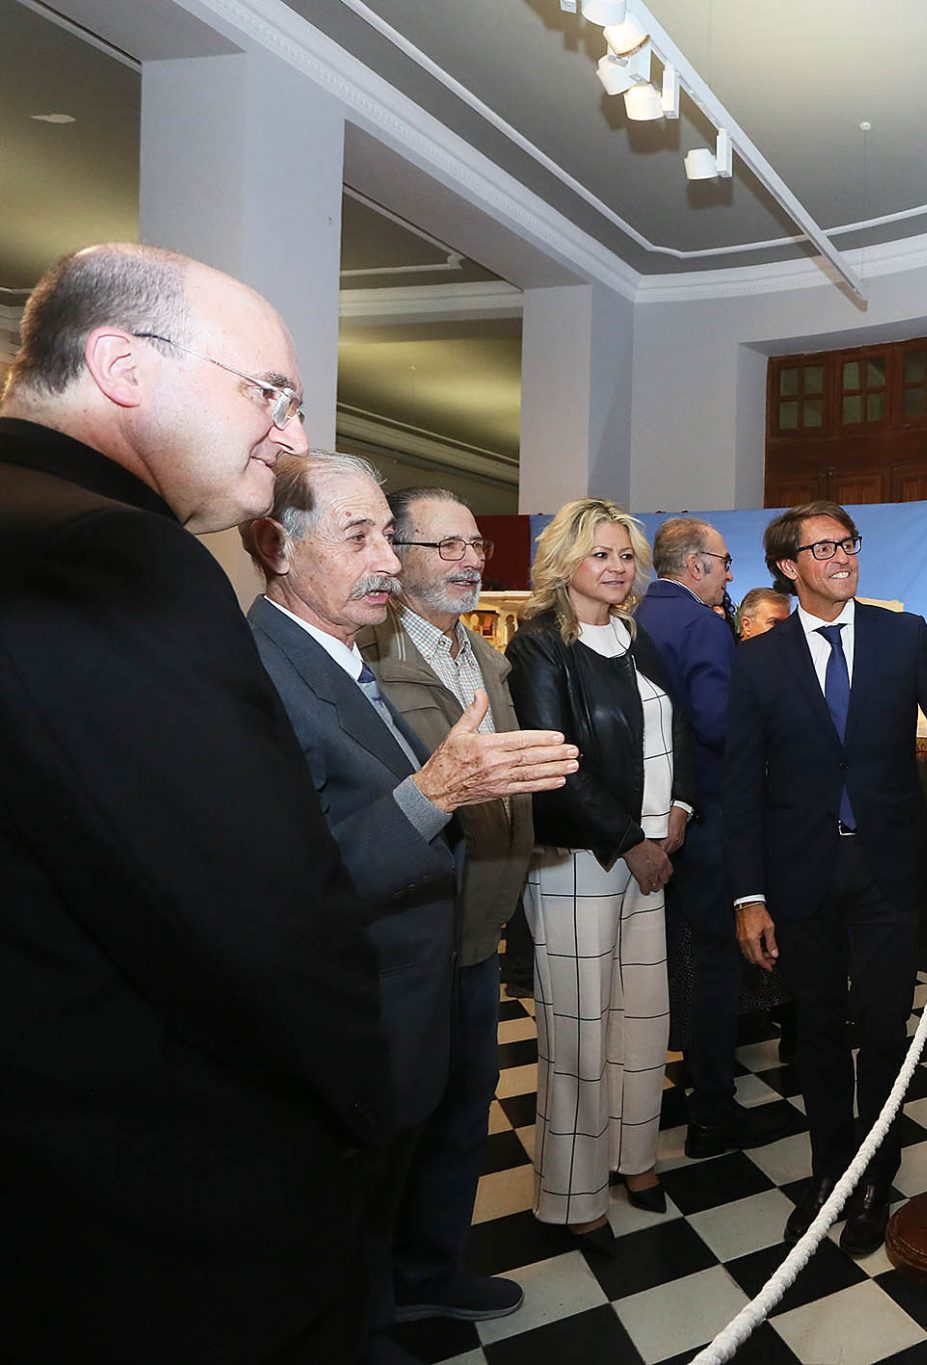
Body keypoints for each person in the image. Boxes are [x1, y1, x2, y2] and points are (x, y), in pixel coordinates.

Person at [0, 243, 388, 1362]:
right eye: (270, 394)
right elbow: (260, 921)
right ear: (122, 365)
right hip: (151, 1205)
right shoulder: (113, 555)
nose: (290, 438)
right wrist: (361, 1107)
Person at [243, 451, 579, 1362]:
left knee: (422, 1145)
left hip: (427, 958)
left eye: (388, 538)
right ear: (277, 545)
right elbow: (294, 879)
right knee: (351, 1188)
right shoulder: (262, 674)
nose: (388, 562)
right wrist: (437, 790)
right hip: (357, 986)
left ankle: (410, 1289)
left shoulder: (345, 655)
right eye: (361, 537)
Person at [726, 500, 927, 1256]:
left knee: (881, 1028)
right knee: (815, 1027)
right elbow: (740, 785)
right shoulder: (759, 660)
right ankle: (828, 1173)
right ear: (788, 566)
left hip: (888, 868)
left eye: (849, 543)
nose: (843, 557)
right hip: (799, 873)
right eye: (824, 547)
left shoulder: (903, 635)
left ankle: (877, 1174)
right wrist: (748, 896)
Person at [360, 487, 536, 1326]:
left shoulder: (483, 655)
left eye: (476, 546)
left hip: (474, 934)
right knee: (399, 1122)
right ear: (396, 553)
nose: (471, 561)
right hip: (407, 933)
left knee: (465, 1106)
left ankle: (434, 1269)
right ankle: (371, 1300)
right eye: (449, 546)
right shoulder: (371, 655)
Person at [506, 498, 696, 1246]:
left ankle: (633, 1157)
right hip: (581, 859)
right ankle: (573, 1192)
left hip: (650, 854)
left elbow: (674, 729)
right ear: (564, 562)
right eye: (600, 554)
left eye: (625, 556)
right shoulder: (539, 645)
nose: (617, 568)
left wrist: (680, 807)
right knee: (579, 1031)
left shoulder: (635, 635)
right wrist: (630, 840)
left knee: (644, 1017)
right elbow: (554, 765)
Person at [639, 517, 802, 1154]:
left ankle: (652, 1101)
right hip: (708, 815)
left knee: (663, 962)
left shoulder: (637, 616)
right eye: (726, 562)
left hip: (652, 821)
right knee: (714, 964)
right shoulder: (701, 625)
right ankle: (712, 1111)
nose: (731, 575)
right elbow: (719, 723)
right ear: (696, 564)